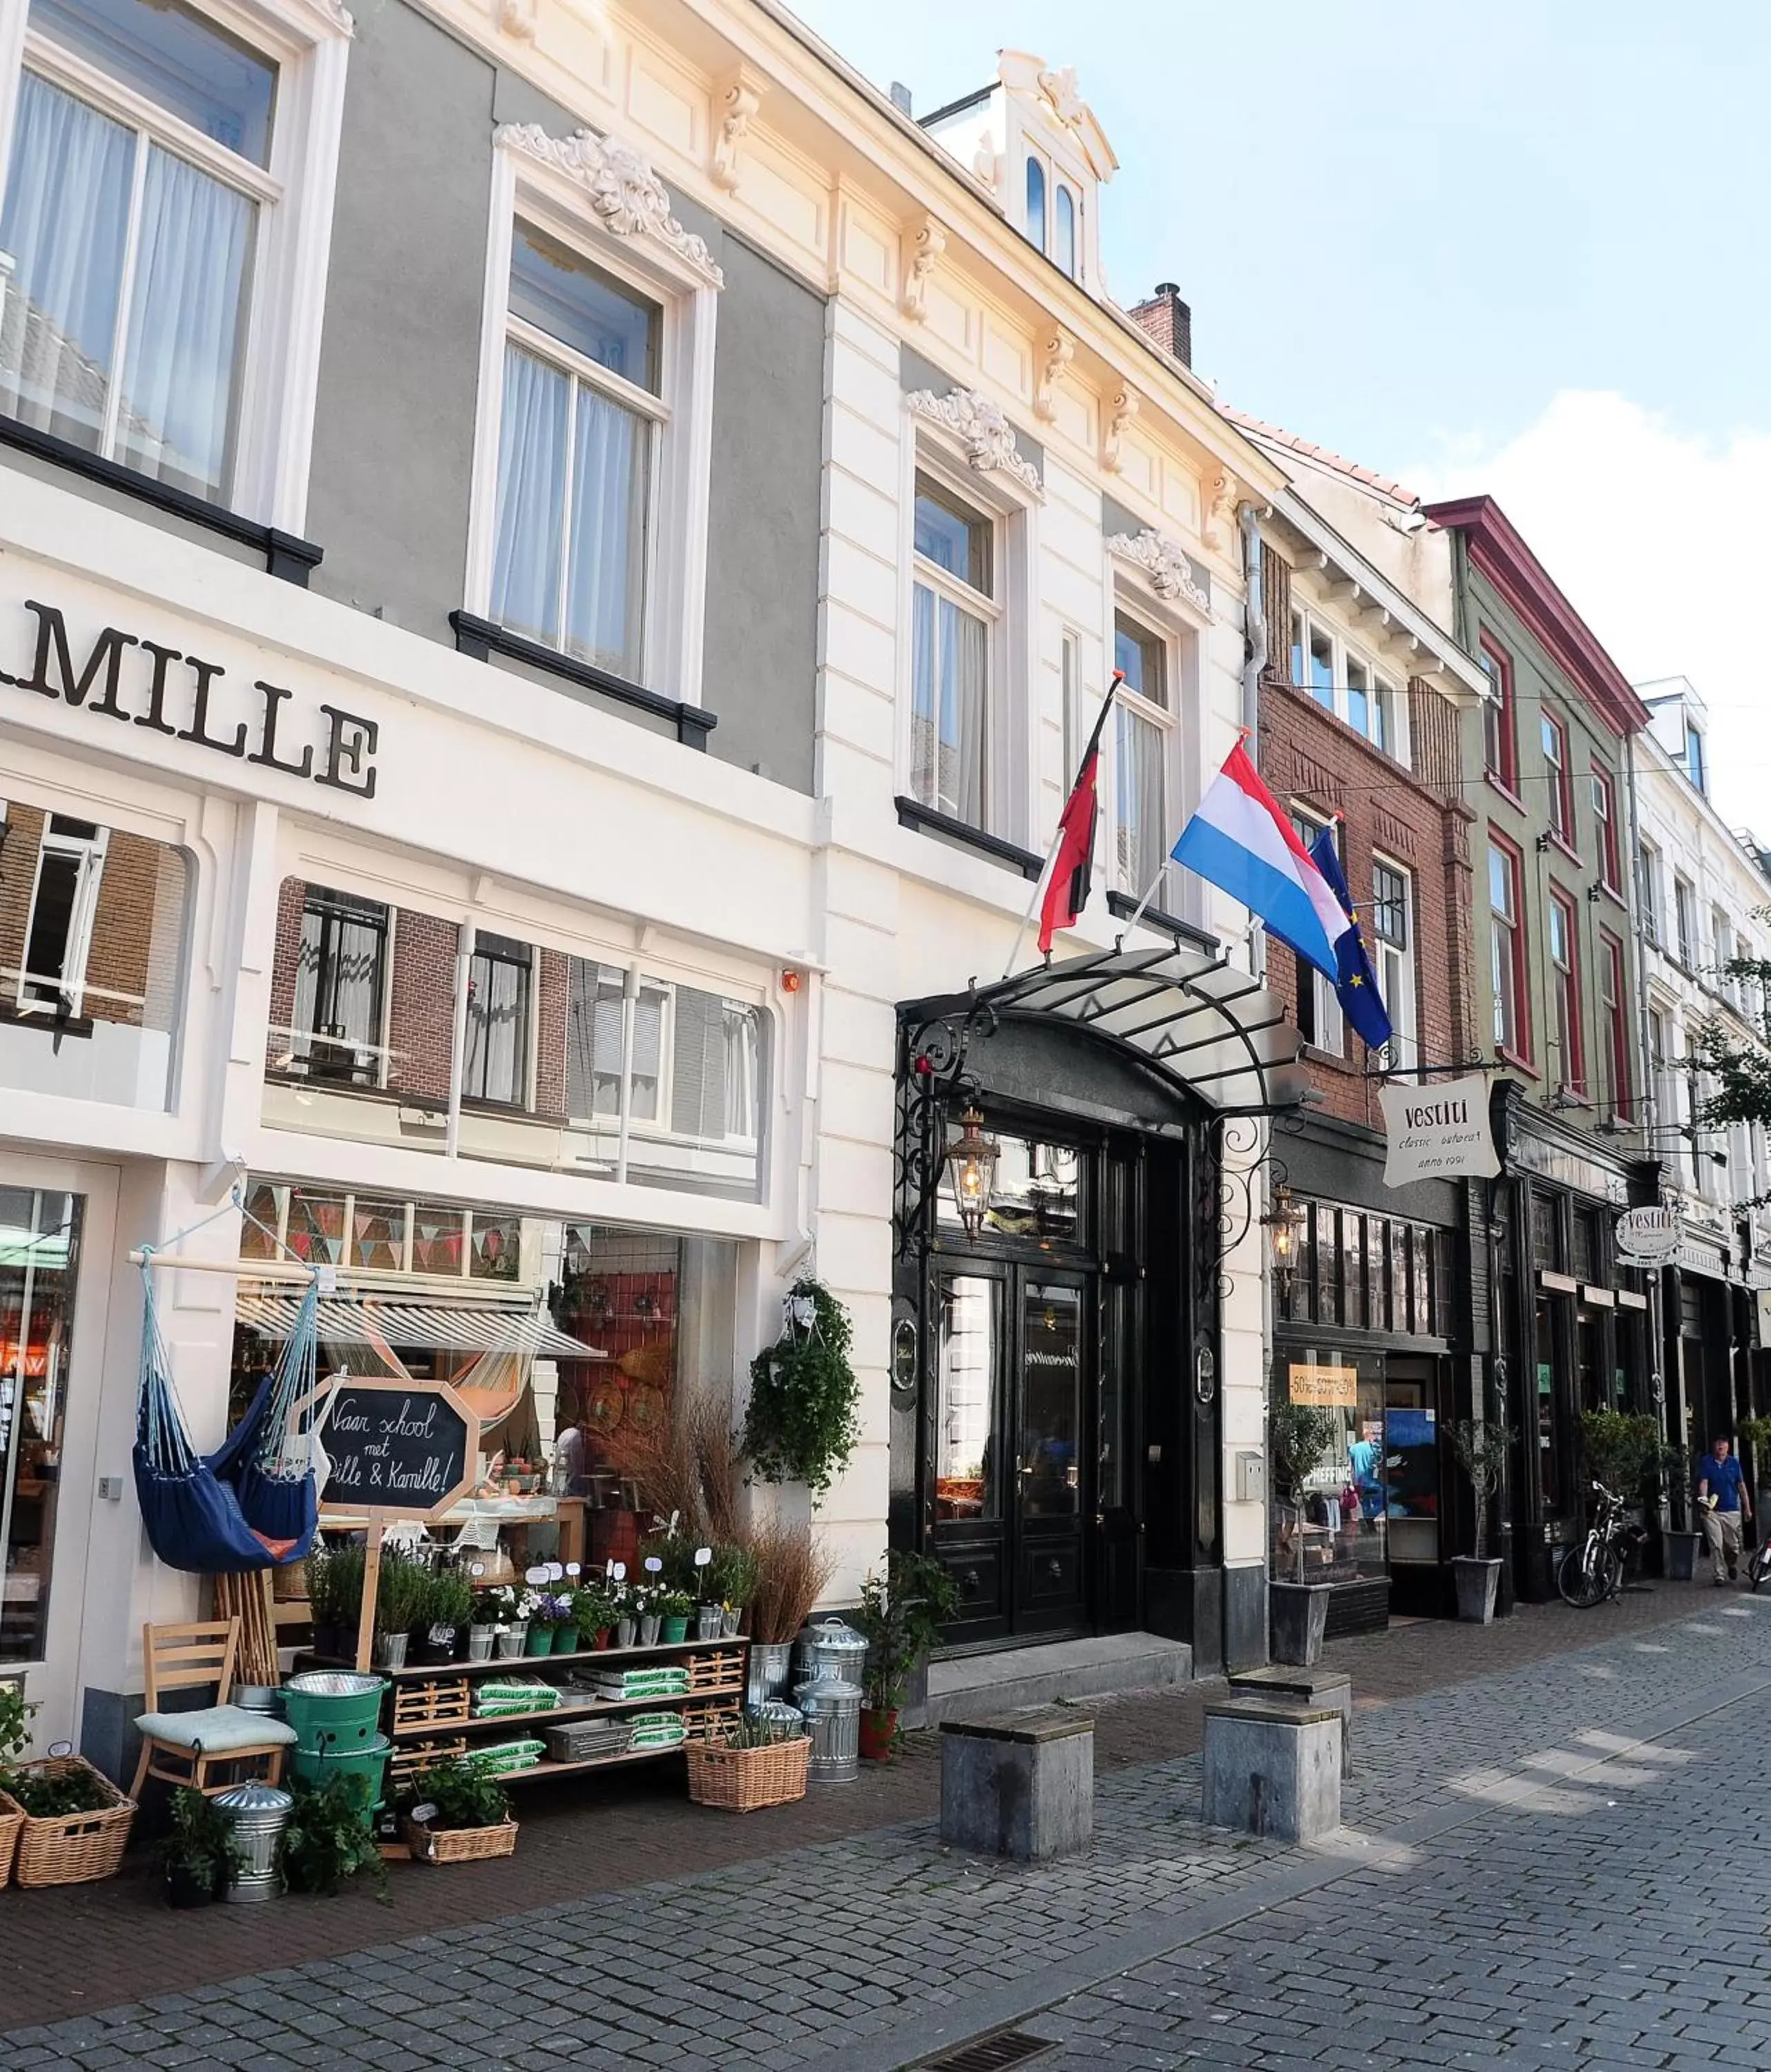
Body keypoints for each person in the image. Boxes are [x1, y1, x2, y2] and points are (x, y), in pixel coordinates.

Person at [1696, 1433, 1752, 1585]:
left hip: (1731, 1509)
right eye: (1718, 1443)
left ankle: (1731, 1564)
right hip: (1712, 1511)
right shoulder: (1707, 1462)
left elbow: (1741, 1486)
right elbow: (1704, 1482)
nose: (1720, 1446)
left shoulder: (1734, 1463)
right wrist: (1704, 1499)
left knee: (1732, 1546)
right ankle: (1719, 1574)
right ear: (1714, 1446)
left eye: (1723, 1443)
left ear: (1728, 1447)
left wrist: (1747, 1508)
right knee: (1716, 1543)